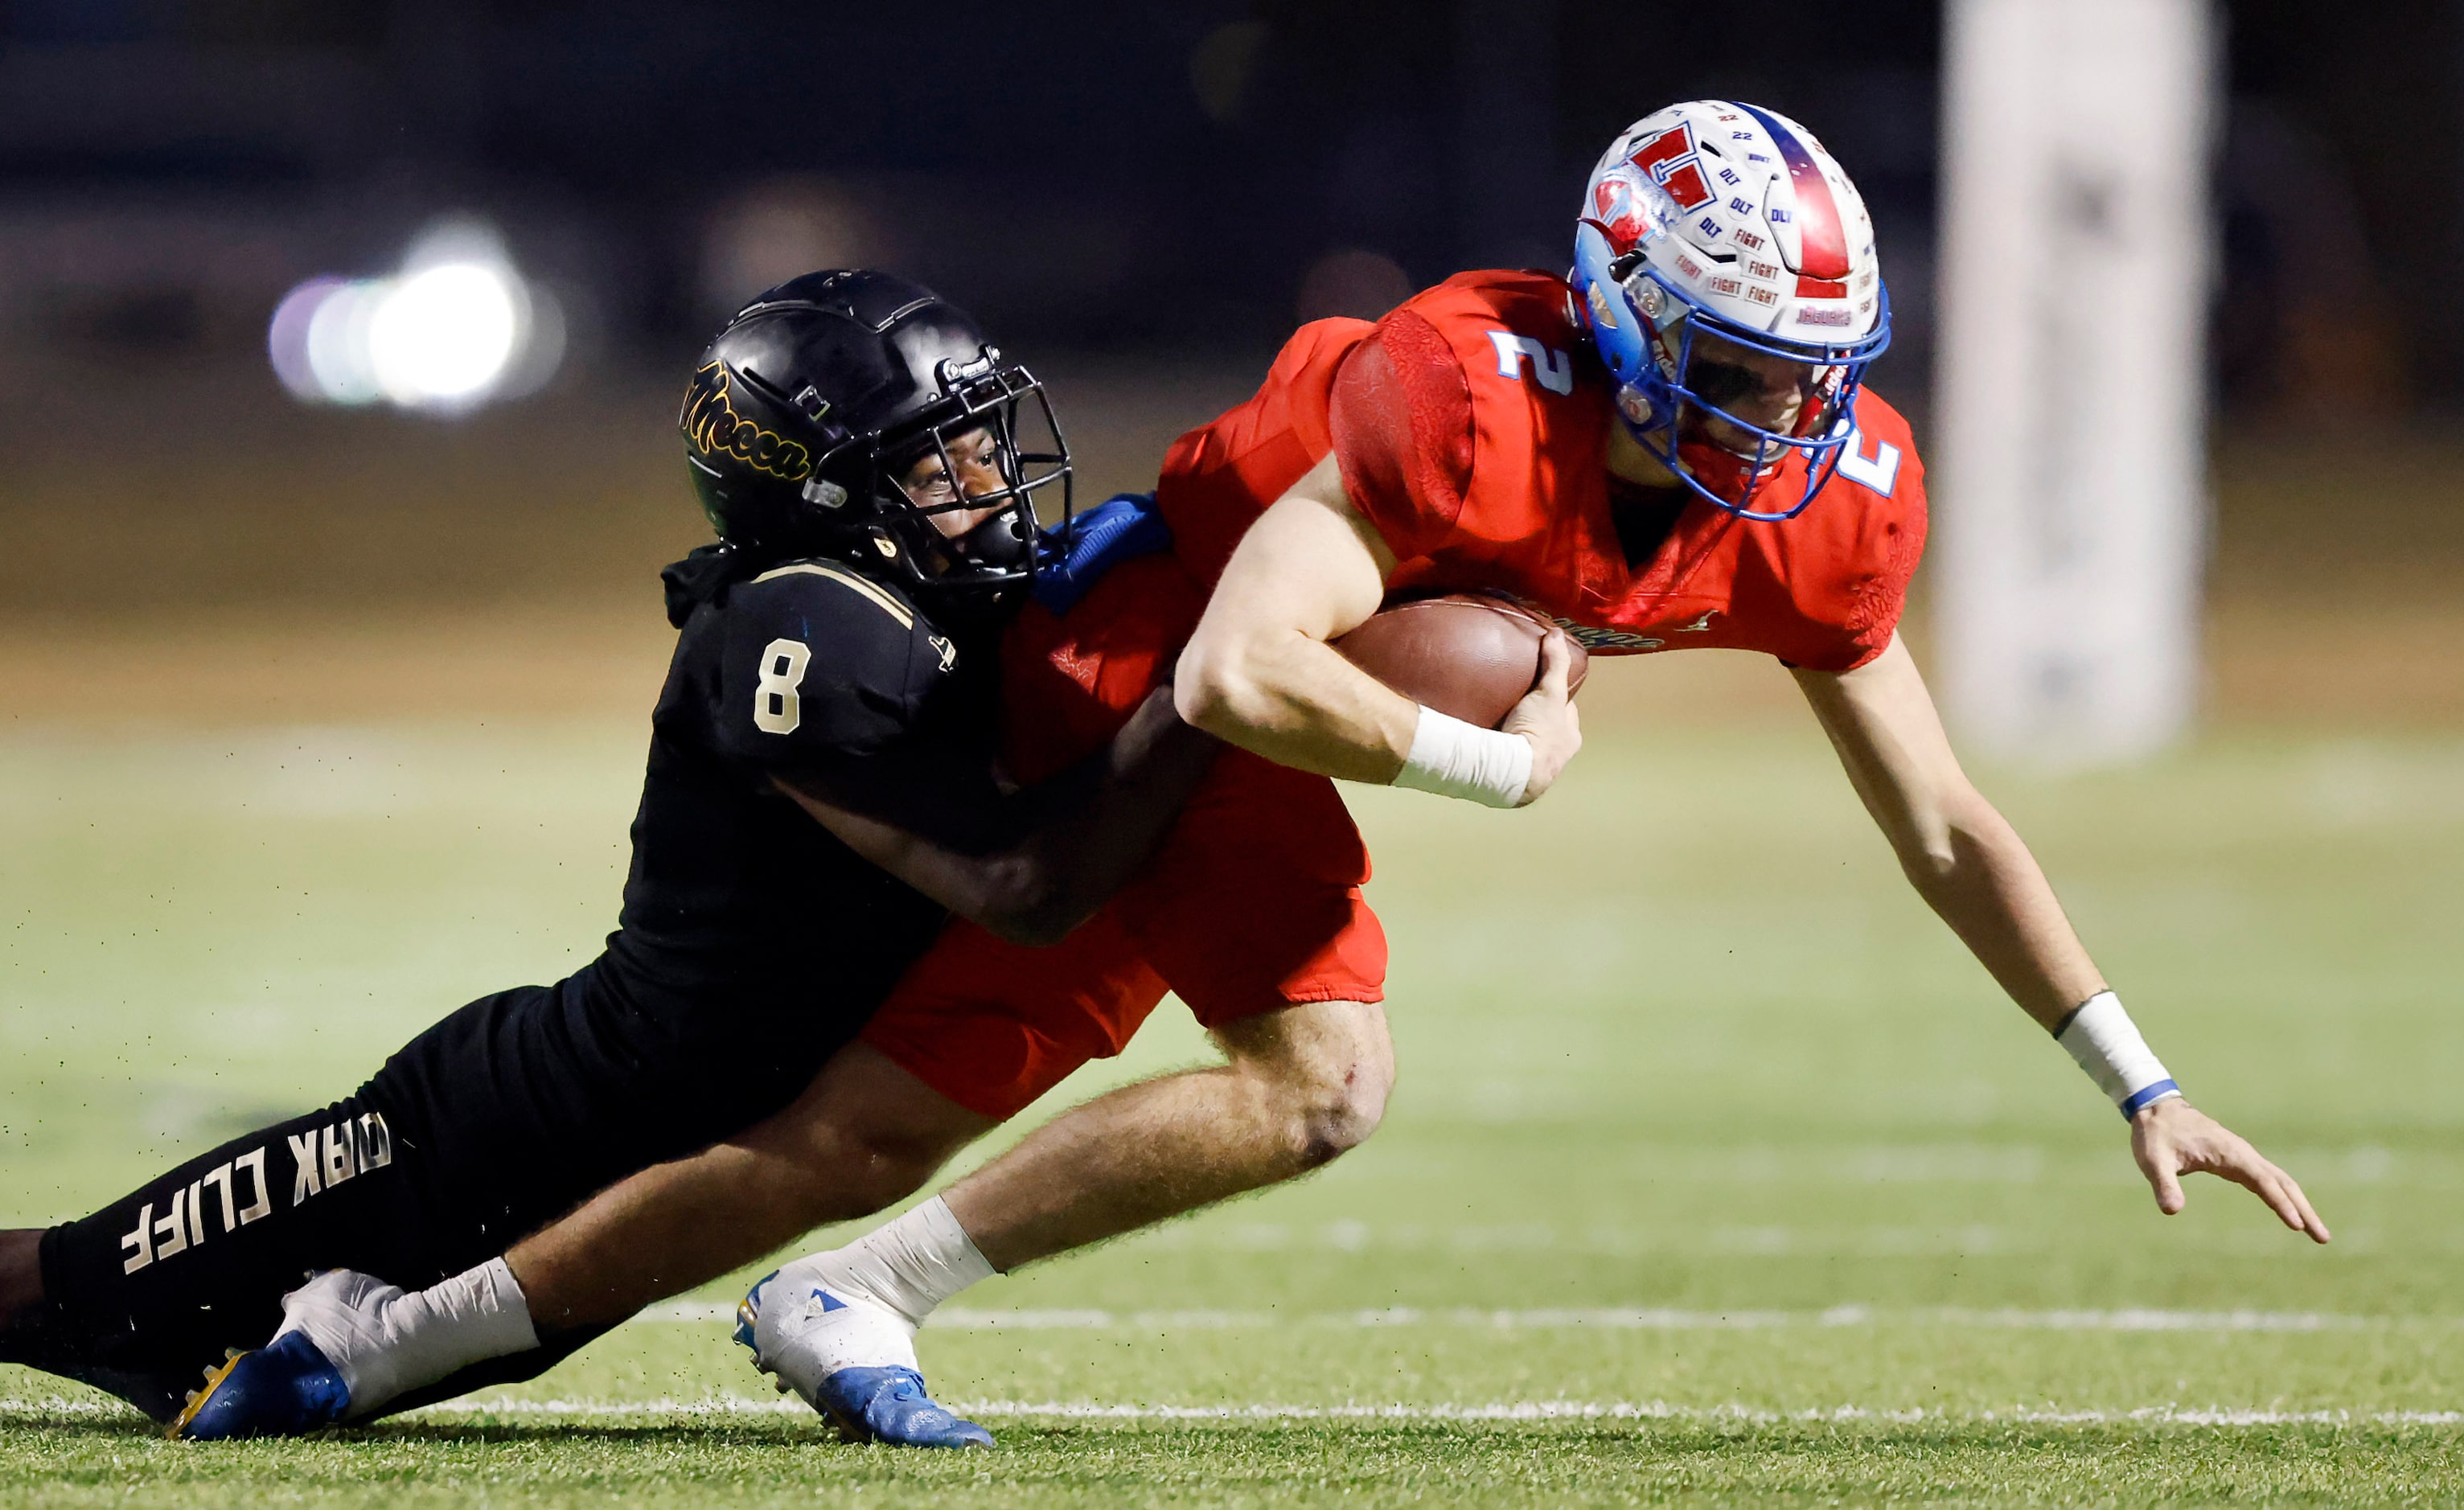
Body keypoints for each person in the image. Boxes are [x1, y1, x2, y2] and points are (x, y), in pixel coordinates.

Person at [219, 98, 2330, 1453]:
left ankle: (383, 1334)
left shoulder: (1827, 496)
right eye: (1744, 362)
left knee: (850, 1136)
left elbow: (1946, 814)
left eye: (1812, 372)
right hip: (1140, 656)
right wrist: (1506, 757)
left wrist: (2133, 1069)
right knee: (1321, 1077)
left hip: (1242, 706)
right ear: (1622, 316)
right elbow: (1246, 657)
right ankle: (797, 1293)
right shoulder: (1466, 392)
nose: (1787, 410)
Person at [0, 270, 1230, 1442]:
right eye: (936, 455)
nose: (988, 480)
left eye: (982, 438)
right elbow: (1026, 886)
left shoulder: (922, 605)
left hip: (645, 1166)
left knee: (223, 1378)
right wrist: (1206, 688)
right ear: (819, 490)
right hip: (498, 1136)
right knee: (59, 1286)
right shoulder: (801, 627)